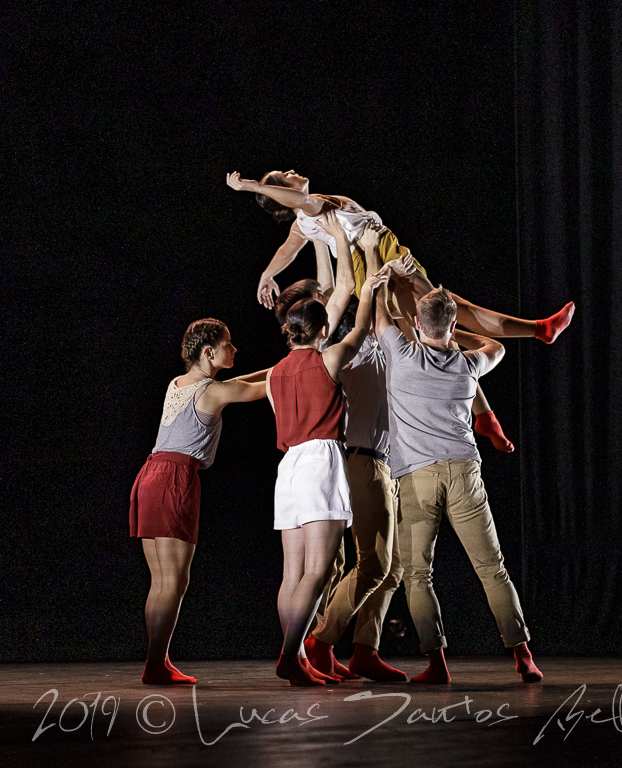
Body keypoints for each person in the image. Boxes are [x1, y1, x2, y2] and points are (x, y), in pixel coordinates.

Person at [371, 273, 545, 684]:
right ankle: (523, 657)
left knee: (418, 575)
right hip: (464, 471)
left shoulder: (402, 355)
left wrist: (380, 282)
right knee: (492, 568)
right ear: (452, 325)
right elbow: (496, 345)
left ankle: (437, 665)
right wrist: (455, 333)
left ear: (416, 323)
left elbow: (379, 318)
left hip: (417, 477)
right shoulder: (468, 366)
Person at [224, 169, 575, 349]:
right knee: (437, 314)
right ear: (284, 194)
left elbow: (287, 250)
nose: (292, 172)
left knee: (442, 312)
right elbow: (293, 224)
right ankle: (532, 335)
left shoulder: (305, 219)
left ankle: (535, 333)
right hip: (373, 256)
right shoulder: (310, 209)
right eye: (285, 177)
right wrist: (255, 187)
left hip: (375, 254)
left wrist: (266, 275)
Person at [267, 254, 388, 686]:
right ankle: (290, 655)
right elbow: (360, 329)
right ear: (322, 330)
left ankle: (296, 655)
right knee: (318, 571)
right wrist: (369, 290)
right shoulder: (329, 358)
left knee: (292, 573)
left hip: (288, 466)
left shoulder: (274, 374)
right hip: (320, 460)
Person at [129, 319, 269, 685]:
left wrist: (283, 364)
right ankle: (156, 664)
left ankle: (157, 660)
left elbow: (239, 382)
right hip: (175, 478)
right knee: (174, 582)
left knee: (161, 580)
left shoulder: (178, 383)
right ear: (208, 352)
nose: (234, 349)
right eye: (228, 344)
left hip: (150, 475)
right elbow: (262, 388)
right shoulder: (214, 392)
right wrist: (304, 363)